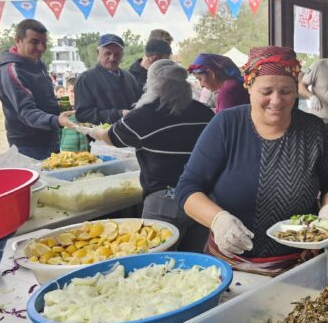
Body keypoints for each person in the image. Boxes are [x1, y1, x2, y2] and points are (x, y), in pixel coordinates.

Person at [176, 46, 328, 276]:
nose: (276, 101)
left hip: (297, 266)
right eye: (266, 91)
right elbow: (188, 188)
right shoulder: (227, 125)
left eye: (286, 91)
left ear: (296, 90)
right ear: (248, 87)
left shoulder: (313, 129)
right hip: (230, 267)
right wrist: (218, 220)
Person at [90, 60, 214, 252]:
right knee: (197, 266)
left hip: (164, 201)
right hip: (203, 200)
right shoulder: (205, 113)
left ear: (152, 85)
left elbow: (111, 137)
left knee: (157, 267)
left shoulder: (143, 116)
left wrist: (94, 131)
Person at [0, 19, 75, 159]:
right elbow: (27, 111)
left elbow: (43, 99)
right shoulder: (12, 70)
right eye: (34, 42)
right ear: (18, 41)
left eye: (44, 42)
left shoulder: (38, 64)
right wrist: (57, 120)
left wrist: (58, 106)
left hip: (50, 139)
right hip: (28, 146)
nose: (41, 48)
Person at [74, 34, 142, 125]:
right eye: (108, 53)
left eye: (117, 54)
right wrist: (119, 114)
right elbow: (82, 114)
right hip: (101, 137)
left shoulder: (129, 77)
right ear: (98, 53)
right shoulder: (85, 79)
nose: (112, 58)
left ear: (122, 55)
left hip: (130, 134)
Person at [59, 77, 89, 152]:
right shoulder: (61, 107)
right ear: (66, 91)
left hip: (84, 148)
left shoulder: (86, 106)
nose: (75, 94)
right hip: (66, 150)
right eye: (72, 91)